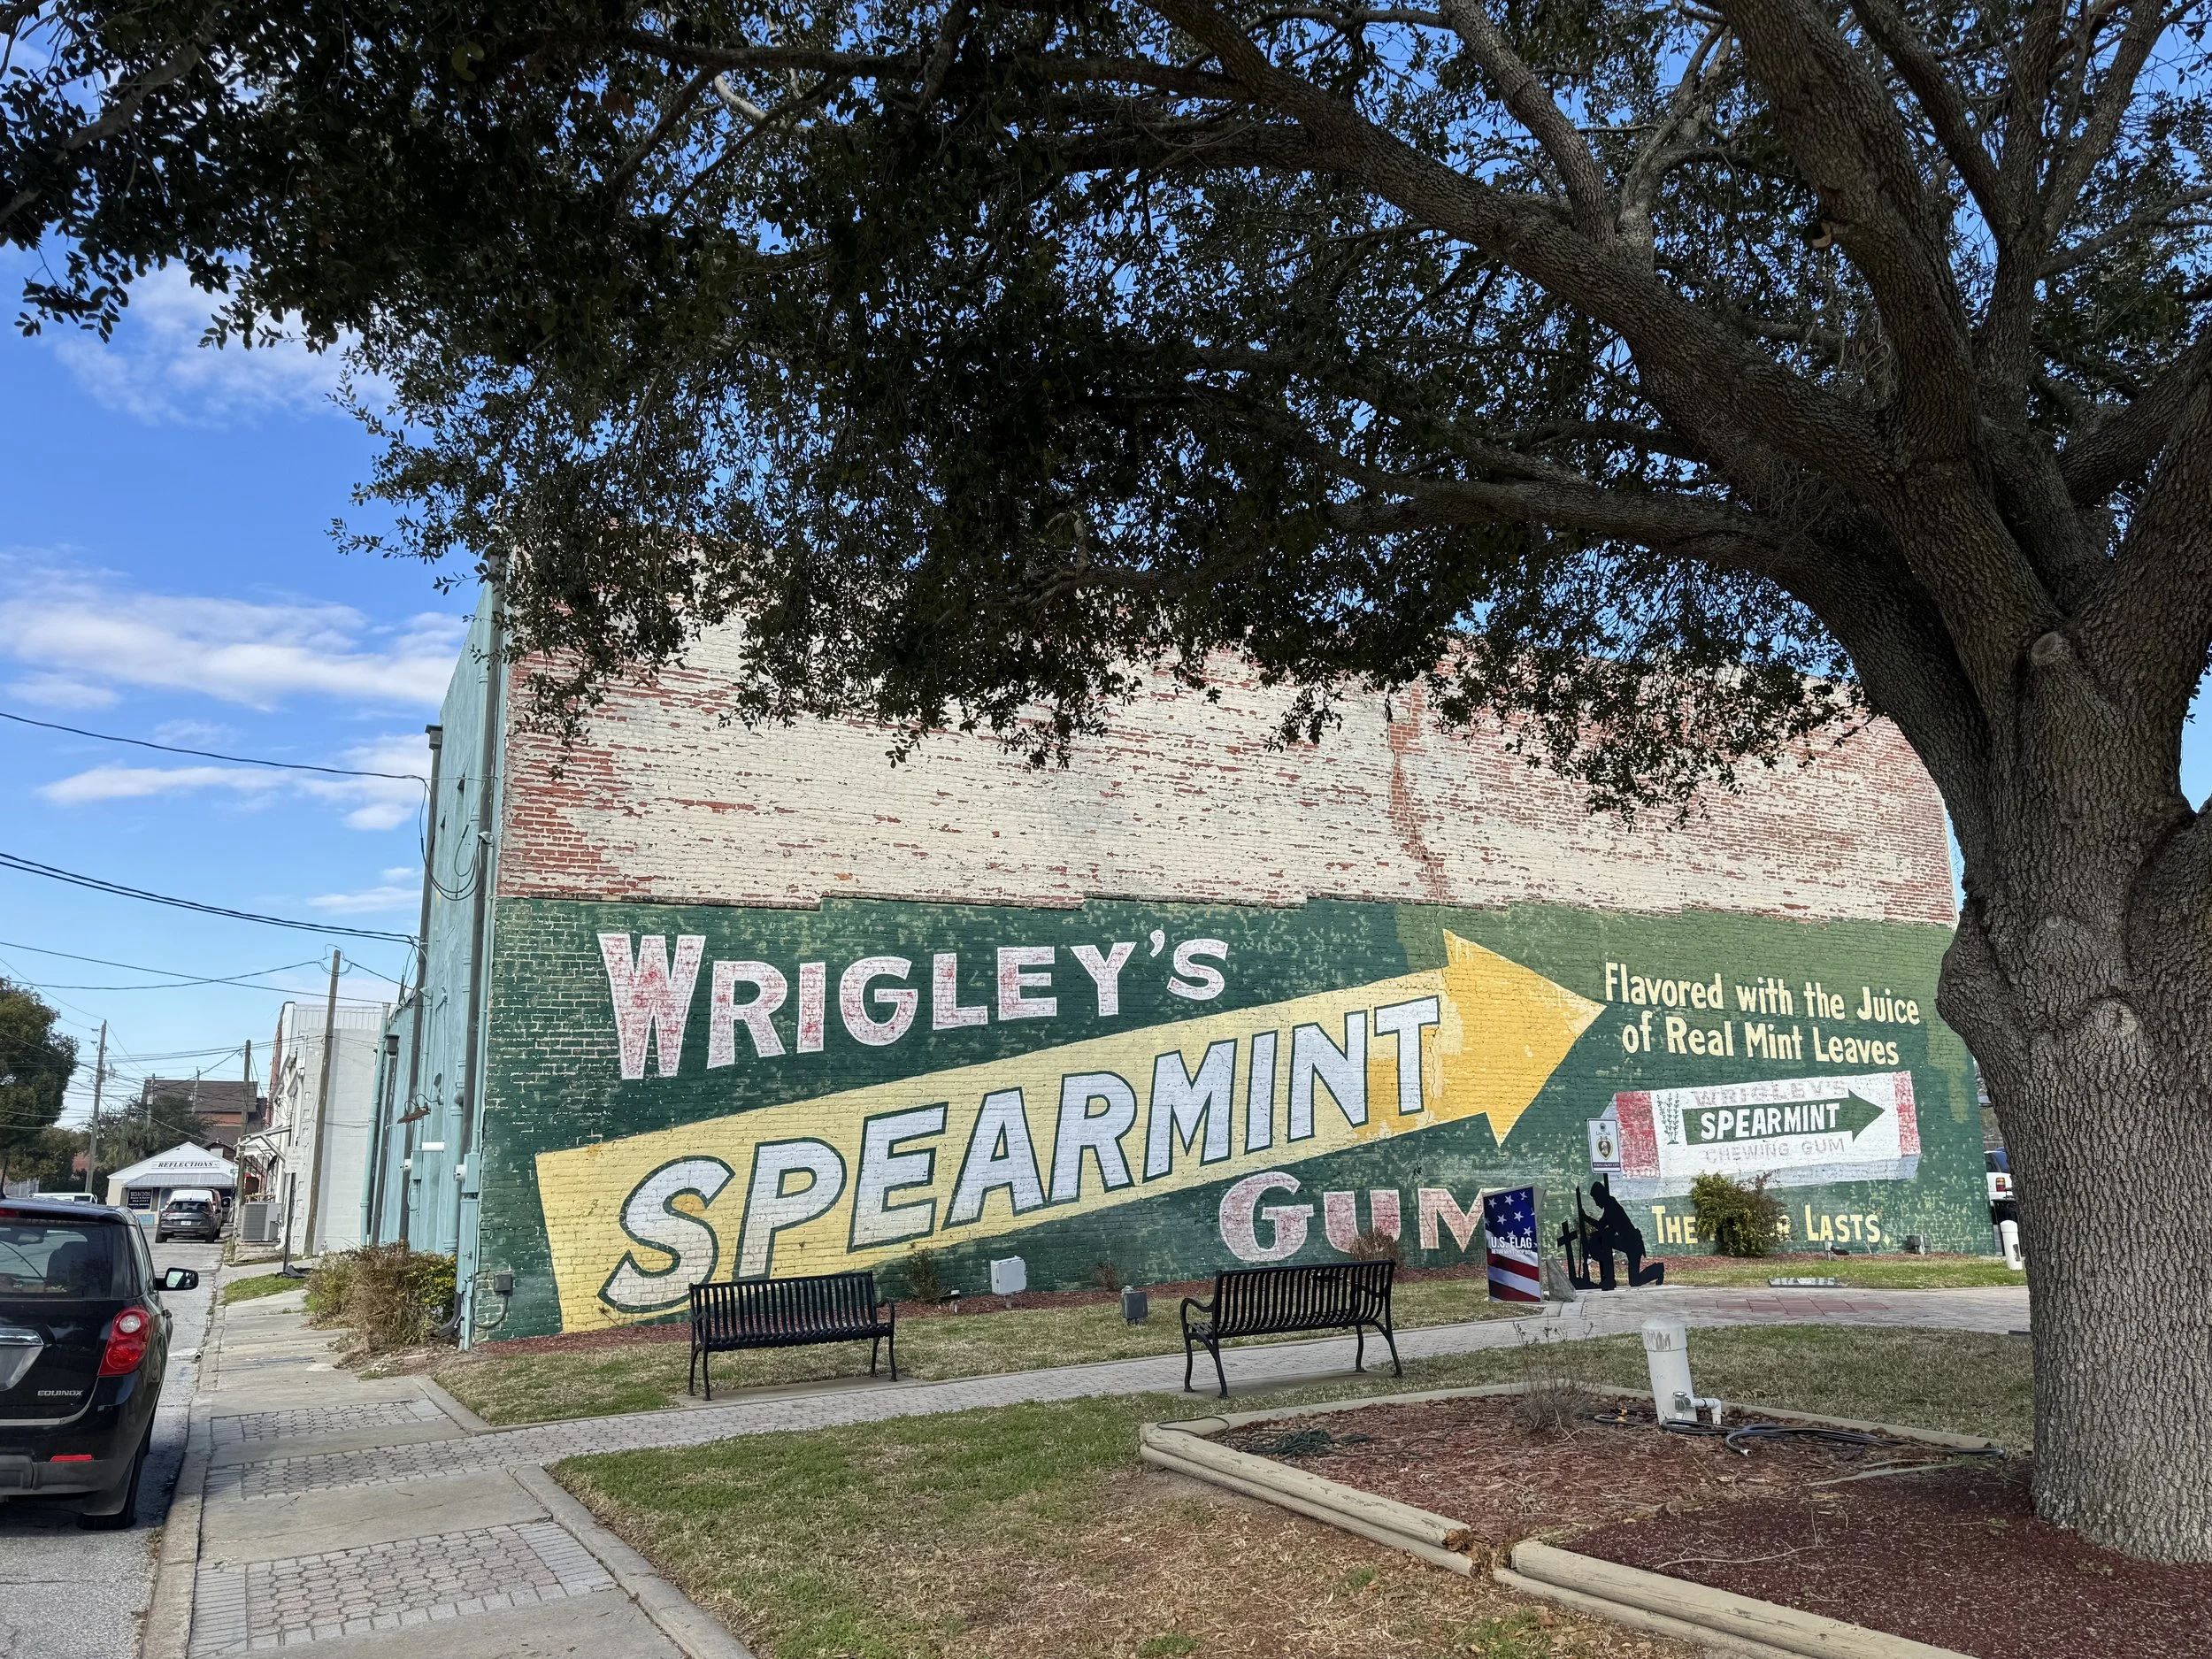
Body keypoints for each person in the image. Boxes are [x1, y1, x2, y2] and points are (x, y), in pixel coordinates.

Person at [1574, 1178, 1664, 1289]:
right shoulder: (1610, 1205)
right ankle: (1657, 1270)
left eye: (1596, 1199)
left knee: (1634, 1281)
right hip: (1629, 1243)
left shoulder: (1611, 1205)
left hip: (1632, 1243)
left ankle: (1657, 1269)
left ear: (1601, 1196)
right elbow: (1607, 1228)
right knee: (1634, 1281)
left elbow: (1602, 1225)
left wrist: (1585, 1218)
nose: (1597, 1203)